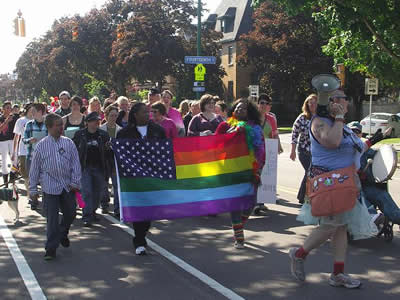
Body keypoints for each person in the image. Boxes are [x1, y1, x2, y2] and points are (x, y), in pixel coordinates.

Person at [289, 89, 377, 288]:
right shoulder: (319, 122)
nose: (347, 103)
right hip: (329, 184)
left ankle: (337, 274)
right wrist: (338, 118)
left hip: (345, 183)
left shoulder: (342, 125)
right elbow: (332, 142)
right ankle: (299, 254)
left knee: (341, 227)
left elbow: (355, 147)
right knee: (332, 224)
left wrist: (374, 141)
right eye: (343, 99)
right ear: (334, 102)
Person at [29, 113, 81, 260]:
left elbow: (76, 164)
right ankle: (51, 248)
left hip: (67, 186)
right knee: (52, 219)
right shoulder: (41, 146)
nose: (61, 128)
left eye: (61, 125)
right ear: (49, 127)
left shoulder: (68, 143)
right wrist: (33, 189)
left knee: (71, 213)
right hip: (50, 188)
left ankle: (62, 232)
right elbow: (34, 170)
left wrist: (75, 182)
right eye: (58, 125)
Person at [117, 102, 166, 255]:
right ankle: (139, 240)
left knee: (150, 209)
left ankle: (142, 234)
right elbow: (120, 154)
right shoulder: (125, 133)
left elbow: (165, 150)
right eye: (144, 112)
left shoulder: (158, 130)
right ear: (135, 114)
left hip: (152, 176)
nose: (148, 114)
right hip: (134, 178)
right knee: (139, 207)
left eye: (149, 112)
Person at [215, 98, 265, 249]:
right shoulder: (225, 125)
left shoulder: (255, 128)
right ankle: (239, 236)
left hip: (250, 169)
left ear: (248, 113)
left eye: (243, 109)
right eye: (237, 108)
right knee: (235, 202)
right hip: (230, 170)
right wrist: (234, 132)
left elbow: (260, 148)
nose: (238, 110)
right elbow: (216, 143)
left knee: (251, 201)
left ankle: (238, 226)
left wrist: (259, 165)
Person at [73, 112, 112, 227]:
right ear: (87, 122)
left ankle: (92, 211)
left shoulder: (103, 135)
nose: (96, 123)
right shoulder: (80, 134)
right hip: (85, 167)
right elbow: (73, 149)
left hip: (99, 167)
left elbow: (108, 152)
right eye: (94, 121)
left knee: (97, 192)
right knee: (87, 192)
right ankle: (87, 215)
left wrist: (109, 149)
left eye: (98, 121)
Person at [290, 94, 318, 204]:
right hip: (304, 150)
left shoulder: (321, 117)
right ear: (306, 104)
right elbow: (294, 134)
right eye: (310, 102)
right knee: (310, 171)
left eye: (314, 102)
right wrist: (292, 151)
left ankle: (305, 196)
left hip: (316, 152)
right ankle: (303, 196)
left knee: (311, 173)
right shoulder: (302, 117)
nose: (312, 104)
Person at [23, 103, 48, 210]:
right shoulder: (29, 124)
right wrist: (30, 140)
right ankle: (33, 200)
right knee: (32, 180)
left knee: (45, 180)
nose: (32, 113)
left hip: (45, 157)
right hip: (31, 156)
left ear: (41, 112)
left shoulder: (48, 124)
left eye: (35, 111)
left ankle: (47, 201)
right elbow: (24, 139)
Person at [99, 106, 122, 217]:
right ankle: (104, 204)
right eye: (111, 115)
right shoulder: (101, 130)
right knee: (104, 184)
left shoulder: (120, 130)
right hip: (104, 159)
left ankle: (117, 208)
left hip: (115, 160)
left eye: (115, 116)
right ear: (106, 116)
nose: (113, 118)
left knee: (116, 185)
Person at [12, 103, 34, 203]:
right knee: (26, 176)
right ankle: (30, 195)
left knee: (34, 175)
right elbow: (16, 137)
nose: (33, 111)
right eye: (31, 109)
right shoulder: (20, 121)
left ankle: (34, 195)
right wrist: (14, 152)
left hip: (35, 151)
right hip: (23, 151)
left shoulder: (38, 120)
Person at [0, 101, 19, 187]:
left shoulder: (14, 118)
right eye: (7, 107)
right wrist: (7, 121)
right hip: (3, 141)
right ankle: (5, 181)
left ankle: (12, 176)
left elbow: (18, 131)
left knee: (14, 159)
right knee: (4, 160)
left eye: (10, 107)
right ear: (3, 109)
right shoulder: (1, 118)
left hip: (12, 140)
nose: (9, 109)